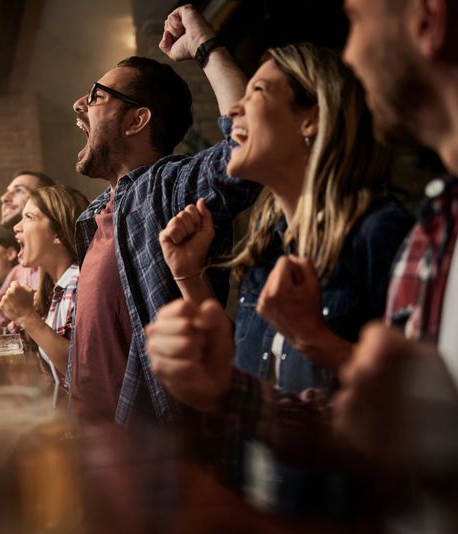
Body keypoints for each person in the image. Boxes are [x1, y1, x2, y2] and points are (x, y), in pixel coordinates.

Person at [149, 0, 458, 529]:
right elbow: (375, 435)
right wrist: (225, 384)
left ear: (430, 20)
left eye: (356, 20)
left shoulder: (386, 233)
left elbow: (425, 455)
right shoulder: (434, 233)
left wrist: (325, 348)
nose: (351, 56)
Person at [154, 42, 412, 518]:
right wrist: (188, 275)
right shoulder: (267, 245)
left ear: (310, 119)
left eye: (256, 90)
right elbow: (261, 377)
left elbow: (413, 410)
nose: (232, 109)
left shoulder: (381, 232)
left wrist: (314, 338)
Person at [67, 4, 260, 425]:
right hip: (92, 448)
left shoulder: (164, 187)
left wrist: (205, 47)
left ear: (137, 120)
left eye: (97, 96)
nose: (80, 104)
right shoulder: (95, 216)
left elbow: (249, 147)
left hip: (152, 455)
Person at [0, 185, 89, 389]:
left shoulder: (78, 282)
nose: (16, 227)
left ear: (57, 234)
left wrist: (27, 317)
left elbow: (84, 371)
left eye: (28, 217)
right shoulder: (52, 290)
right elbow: (4, 342)